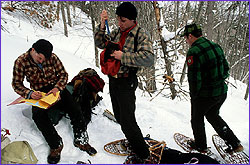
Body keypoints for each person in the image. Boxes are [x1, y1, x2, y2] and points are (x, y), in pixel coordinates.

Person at [12, 39, 97, 164]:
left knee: (75, 108)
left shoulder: (52, 57)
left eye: (44, 59)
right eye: (39, 58)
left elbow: (63, 74)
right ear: (33, 50)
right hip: (38, 93)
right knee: (38, 116)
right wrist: (29, 93)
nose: (41, 61)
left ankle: (81, 139)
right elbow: (16, 83)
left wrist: (57, 88)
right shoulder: (21, 61)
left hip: (55, 89)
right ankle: (56, 144)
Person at [95, 2, 154, 163]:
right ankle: (134, 140)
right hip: (113, 80)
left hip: (127, 81)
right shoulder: (115, 32)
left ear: (132, 20)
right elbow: (100, 43)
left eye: (123, 20)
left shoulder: (140, 34)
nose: (119, 24)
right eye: (118, 19)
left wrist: (124, 57)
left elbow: (149, 59)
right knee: (120, 117)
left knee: (128, 121)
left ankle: (144, 155)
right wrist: (101, 25)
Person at [181, 24, 243, 153]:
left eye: (186, 38)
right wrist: (217, 81)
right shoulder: (216, 46)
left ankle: (201, 146)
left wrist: (194, 95)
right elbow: (226, 69)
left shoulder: (194, 51)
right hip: (221, 92)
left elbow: (194, 79)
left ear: (191, 36)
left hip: (206, 95)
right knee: (213, 115)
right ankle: (235, 143)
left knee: (196, 119)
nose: (186, 41)